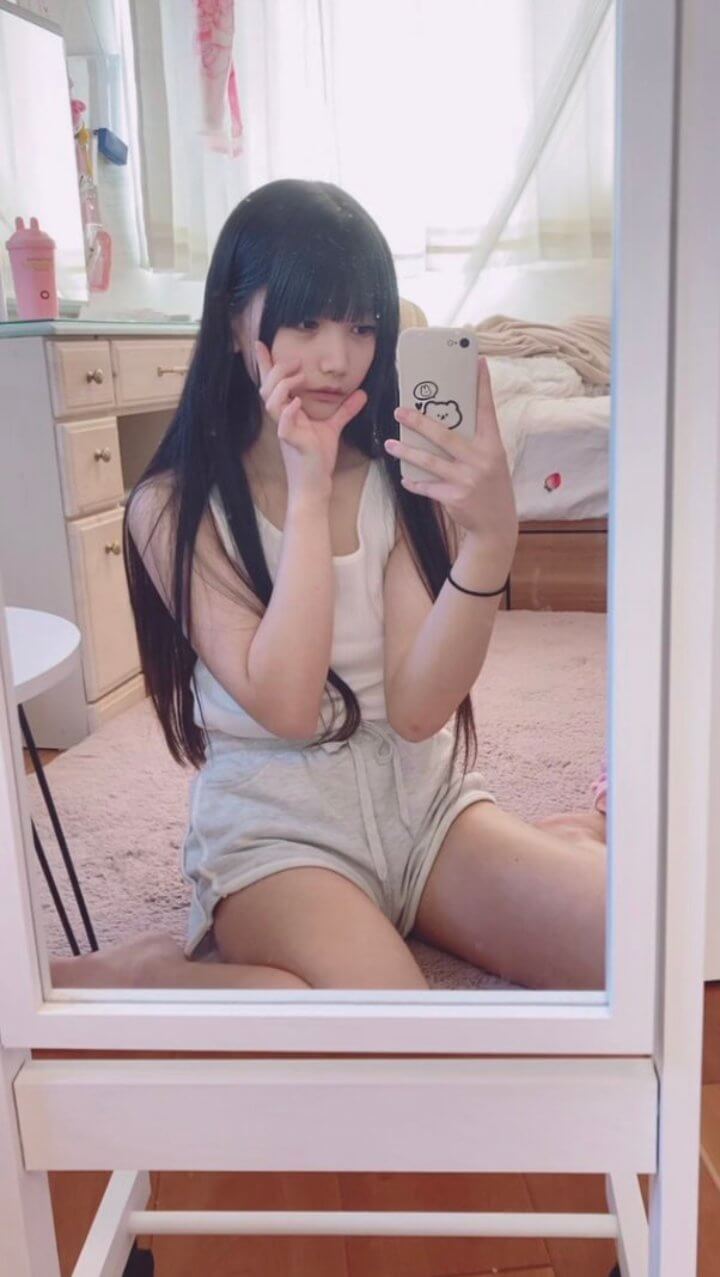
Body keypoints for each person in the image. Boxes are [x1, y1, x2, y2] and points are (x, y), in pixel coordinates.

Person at [52, 178, 606, 994]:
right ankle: (149, 971)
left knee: (638, 946)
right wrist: (308, 493)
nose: (338, 358)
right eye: (306, 322)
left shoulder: (397, 473)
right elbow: (284, 702)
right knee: (391, 1041)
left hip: (422, 802)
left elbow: (417, 709)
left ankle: (557, 844)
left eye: (361, 326)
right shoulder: (170, 507)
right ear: (235, 321)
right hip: (276, 828)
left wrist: (492, 538)